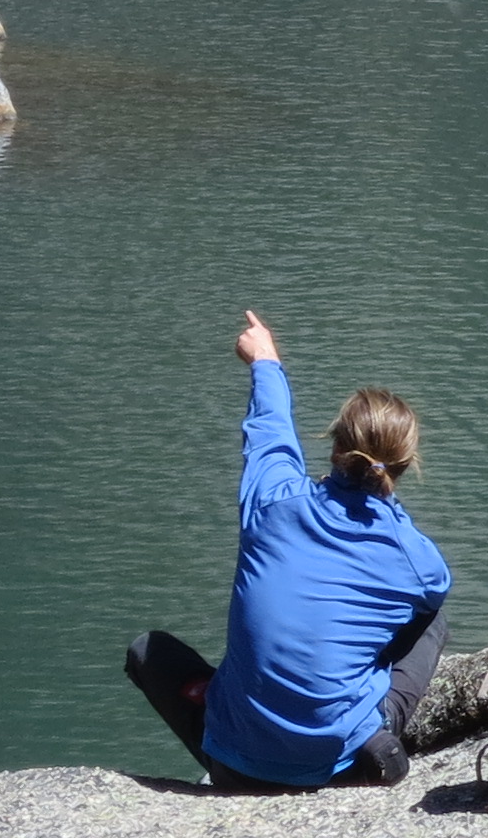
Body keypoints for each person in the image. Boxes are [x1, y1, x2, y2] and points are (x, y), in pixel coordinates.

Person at [125, 310, 452, 792]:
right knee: (431, 619)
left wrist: (265, 359)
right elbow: (422, 605)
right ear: (404, 465)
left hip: (233, 766)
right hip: (338, 765)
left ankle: (247, 736)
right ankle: (367, 733)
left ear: (336, 446)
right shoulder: (420, 564)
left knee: (148, 651)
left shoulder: (273, 501)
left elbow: (269, 429)